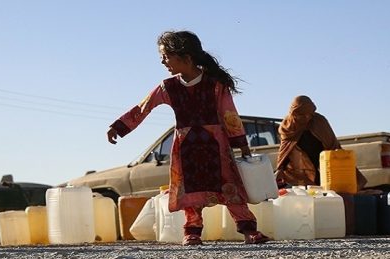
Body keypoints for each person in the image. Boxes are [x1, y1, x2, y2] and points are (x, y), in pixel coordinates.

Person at [106, 31, 270, 246]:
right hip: (185, 147)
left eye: (166, 56)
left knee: (230, 187)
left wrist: (242, 145)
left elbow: (230, 115)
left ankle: (250, 231)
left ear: (186, 56)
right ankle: (192, 232)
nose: (163, 62)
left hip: (216, 145)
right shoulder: (167, 87)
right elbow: (143, 107)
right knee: (189, 191)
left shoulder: (215, 84)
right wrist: (118, 127)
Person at [275, 95, 367, 189]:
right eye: (302, 115)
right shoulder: (288, 127)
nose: (307, 117)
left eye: (310, 114)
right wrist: (280, 168)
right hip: (301, 169)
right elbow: (285, 150)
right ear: (294, 113)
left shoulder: (318, 121)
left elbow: (332, 144)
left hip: (325, 163)